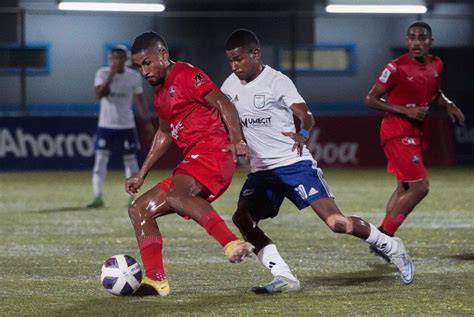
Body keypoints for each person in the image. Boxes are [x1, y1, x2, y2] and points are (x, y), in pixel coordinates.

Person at [221, 29, 416, 294]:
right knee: (242, 218)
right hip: (263, 171)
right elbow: (224, 117)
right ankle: (283, 276)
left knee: (337, 223)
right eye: (230, 61)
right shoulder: (229, 86)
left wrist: (302, 133)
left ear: (256, 54)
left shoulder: (277, 81)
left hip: (293, 164)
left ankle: (391, 246)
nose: (234, 66)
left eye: (239, 59)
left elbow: (306, 115)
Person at [126, 31, 254, 296]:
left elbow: (223, 102)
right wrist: (142, 173)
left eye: (147, 63)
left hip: (213, 152)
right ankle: (155, 279)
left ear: (163, 54)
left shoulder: (186, 74)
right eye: (139, 67)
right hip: (194, 159)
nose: (144, 71)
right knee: (140, 209)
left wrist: (237, 139)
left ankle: (230, 243)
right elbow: (164, 133)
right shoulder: (160, 94)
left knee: (177, 193)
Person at [365, 21, 465, 260]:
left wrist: (449, 104)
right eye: (412, 37)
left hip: (417, 133)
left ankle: (382, 240)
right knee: (420, 186)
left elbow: (435, 93)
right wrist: (404, 110)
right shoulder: (395, 67)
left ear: (431, 41)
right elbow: (370, 99)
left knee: (405, 187)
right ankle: (383, 237)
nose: (416, 42)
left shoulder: (436, 64)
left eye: (422, 37)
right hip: (396, 131)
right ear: (407, 41)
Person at [87, 45, 154, 208]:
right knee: (100, 163)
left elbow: (139, 100)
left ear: (127, 59)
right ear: (110, 59)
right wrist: (111, 75)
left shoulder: (133, 77)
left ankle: (132, 197)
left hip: (126, 126)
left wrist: (146, 122)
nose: (116, 61)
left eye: (120, 58)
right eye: (114, 58)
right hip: (106, 125)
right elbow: (99, 94)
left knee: (131, 163)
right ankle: (98, 197)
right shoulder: (102, 73)